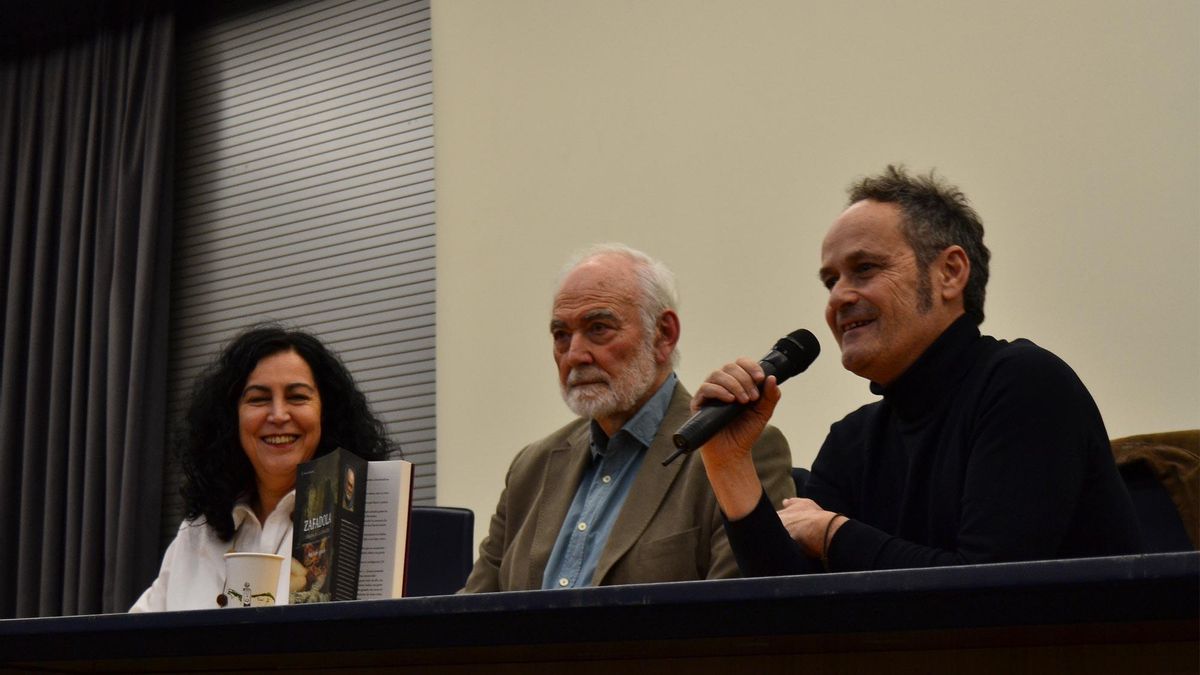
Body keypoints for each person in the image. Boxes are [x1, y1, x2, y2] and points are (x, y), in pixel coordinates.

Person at [695, 166, 1142, 575]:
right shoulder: (853, 440)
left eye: (864, 269)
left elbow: (992, 592)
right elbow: (790, 611)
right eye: (831, 281)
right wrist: (729, 464)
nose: (838, 298)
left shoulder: (1027, 385)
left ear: (950, 272)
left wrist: (832, 533)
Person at [462, 244, 795, 592]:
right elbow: (469, 611)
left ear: (664, 334)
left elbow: (744, 610)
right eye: (561, 335)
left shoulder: (738, 451)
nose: (575, 355)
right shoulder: (530, 467)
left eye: (598, 328)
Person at [130, 326, 394, 611]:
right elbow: (135, 633)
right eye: (258, 399)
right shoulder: (196, 533)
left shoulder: (362, 522)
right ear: (231, 419)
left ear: (325, 414)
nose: (278, 415)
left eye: (297, 397)